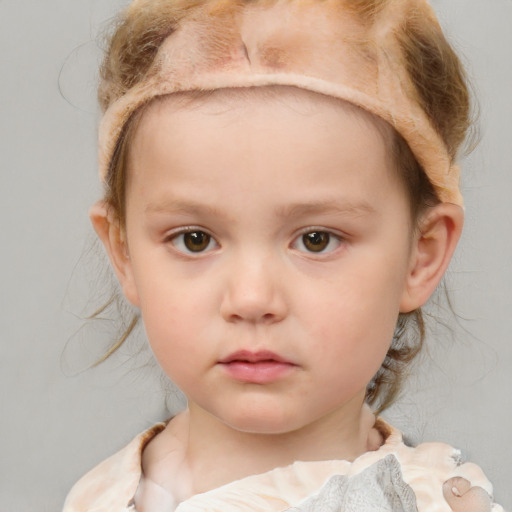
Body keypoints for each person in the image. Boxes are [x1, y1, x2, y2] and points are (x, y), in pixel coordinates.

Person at [63, 0, 504, 511]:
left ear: (420, 255)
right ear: (124, 253)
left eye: (316, 239)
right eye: (195, 239)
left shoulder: (442, 503)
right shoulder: (99, 500)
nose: (252, 299)